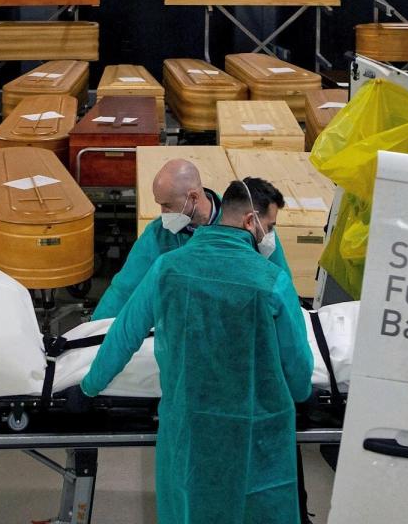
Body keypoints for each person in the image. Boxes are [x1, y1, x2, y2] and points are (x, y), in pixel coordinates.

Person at [81, 177, 314, 524]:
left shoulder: (167, 267)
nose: (270, 236)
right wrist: (302, 396)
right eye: (270, 226)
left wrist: (89, 387)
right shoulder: (272, 280)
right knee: (255, 506)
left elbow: (124, 333)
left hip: (188, 426)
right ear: (251, 221)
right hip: (256, 430)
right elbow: (296, 363)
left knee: (190, 506)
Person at [91, 159, 291, 320]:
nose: (163, 213)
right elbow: (124, 289)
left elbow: (282, 286)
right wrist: (91, 334)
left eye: (168, 205)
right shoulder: (158, 234)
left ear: (193, 197)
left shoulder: (248, 224)